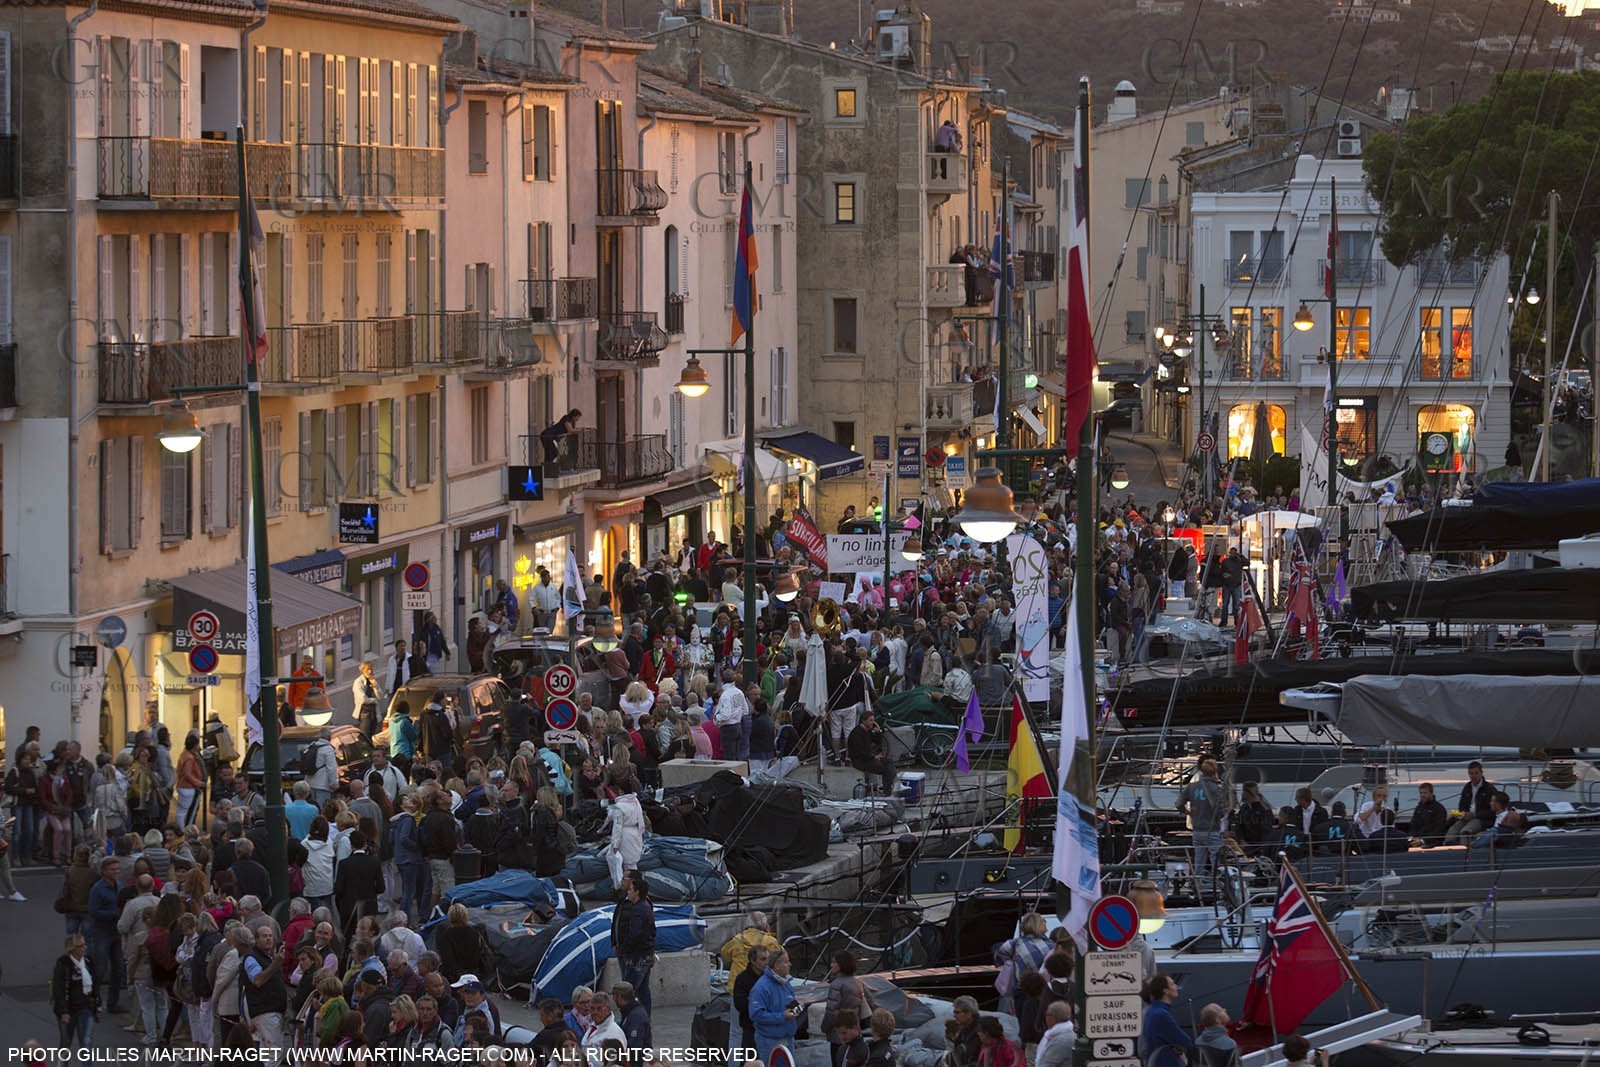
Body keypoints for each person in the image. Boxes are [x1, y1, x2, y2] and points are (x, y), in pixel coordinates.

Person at [611, 871, 657, 1013]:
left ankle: (631, 1017)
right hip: (642, 954)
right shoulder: (637, 905)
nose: (628, 891)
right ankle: (644, 1017)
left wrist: (624, 948)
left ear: (636, 891)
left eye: (631, 889)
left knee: (629, 989)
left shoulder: (638, 908)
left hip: (635, 956)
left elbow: (635, 933)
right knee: (642, 989)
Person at [242, 924, 289, 1056]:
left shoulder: (270, 957)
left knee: (267, 1053)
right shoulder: (251, 958)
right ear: (256, 940)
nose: (268, 939)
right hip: (265, 1012)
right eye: (264, 936)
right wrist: (276, 964)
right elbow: (257, 980)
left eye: (270, 936)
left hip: (274, 1011)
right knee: (273, 1054)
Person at [1179, 756, 1228, 880]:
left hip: (1197, 830)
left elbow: (1179, 804)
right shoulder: (1216, 789)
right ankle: (1217, 885)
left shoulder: (1192, 787)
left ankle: (1198, 884)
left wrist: (1188, 812)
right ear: (1214, 771)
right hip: (1212, 830)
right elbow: (1221, 812)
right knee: (1216, 861)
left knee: (1199, 861)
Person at [749, 948, 801, 1064]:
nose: (790, 964)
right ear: (777, 965)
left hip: (788, 1038)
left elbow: (791, 1002)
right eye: (786, 962)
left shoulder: (785, 983)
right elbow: (756, 1014)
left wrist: (797, 1008)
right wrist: (782, 1016)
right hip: (770, 1041)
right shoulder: (761, 988)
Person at [824, 949, 874, 1067]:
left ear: (841, 964)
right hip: (854, 1031)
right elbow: (870, 1003)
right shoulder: (858, 983)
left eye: (834, 962)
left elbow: (831, 1012)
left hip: (839, 1034)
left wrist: (825, 1028)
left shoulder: (836, 985)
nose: (831, 965)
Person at [53, 932, 99, 1048]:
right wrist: (63, 1011)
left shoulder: (88, 961)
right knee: (65, 1044)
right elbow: (59, 990)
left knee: (86, 1042)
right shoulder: (63, 964)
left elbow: (95, 985)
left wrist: (98, 1005)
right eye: (82, 945)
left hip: (86, 1008)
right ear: (73, 949)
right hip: (69, 1010)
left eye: (85, 944)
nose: (85, 947)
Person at [1141, 974, 1192, 1067]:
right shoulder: (1161, 1014)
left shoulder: (1151, 1011)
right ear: (1165, 990)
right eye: (1172, 984)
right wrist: (1176, 1047)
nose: (1176, 986)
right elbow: (1185, 1041)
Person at [847, 708, 896, 795]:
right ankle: (887, 791)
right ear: (863, 721)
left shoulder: (867, 731)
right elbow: (860, 752)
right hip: (860, 761)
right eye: (870, 720)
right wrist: (873, 757)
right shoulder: (857, 733)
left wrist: (877, 732)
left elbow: (877, 742)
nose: (872, 723)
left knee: (889, 762)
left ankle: (887, 789)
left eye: (873, 720)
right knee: (885, 769)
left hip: (868, 758)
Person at [731, 945, 768, 1058]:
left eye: (768, 959)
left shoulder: (770, 978)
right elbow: (740, 1004)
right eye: (763, 959)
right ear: (753, 961)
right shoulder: (742, 979)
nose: (766, 962)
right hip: (751, 1029)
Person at [1446, 762, 1496, 844]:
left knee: (1465, 832)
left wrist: (1475, 814)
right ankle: (1448, 850)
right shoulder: (1467, 787)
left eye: (1476, 773)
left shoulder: (1489, 789)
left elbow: (1492, 811)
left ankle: (1465, 853)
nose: (1474, 776)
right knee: (1452, 830)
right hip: (1466, 817)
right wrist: (1463, 814)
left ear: (1481, 773)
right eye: (1471, 773)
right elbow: (1461, 805)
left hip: (1481, 819)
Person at [1408, 782, 1450, 847]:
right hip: (1417, 840)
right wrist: (1412, 838)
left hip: (1432, 843)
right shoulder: (1419, 808)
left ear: (1431, 793)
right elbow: (1413, 825)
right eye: (1421, 793)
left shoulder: (1439, 809)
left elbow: (1439, 830)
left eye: (1425, 793)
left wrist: (1423, 840)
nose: (1422, 795)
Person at [1034, 1001, 1075, 1067]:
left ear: (1052, 1017)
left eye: (1046, 1014)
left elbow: (1048, 1064)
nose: (1045, 1018)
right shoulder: (1064, 1033)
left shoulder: (1061, 1041)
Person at [613, 981, 651, 1051]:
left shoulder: (636, 1016)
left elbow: (635, 1046)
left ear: (619, 997)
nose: (613, 999)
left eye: (614, 996)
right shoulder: (629, 1010)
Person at [352, 660, 383, 739]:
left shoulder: (372, 680)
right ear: (362, 671)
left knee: (373, 735)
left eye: (371, 669)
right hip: (364, 712)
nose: (370, 672)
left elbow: (380, 696)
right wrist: (373, 700)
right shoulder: (358, 682)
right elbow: (362, 699)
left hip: (374, 712)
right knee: (365, 735)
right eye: (367, 670)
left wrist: (375, 685)